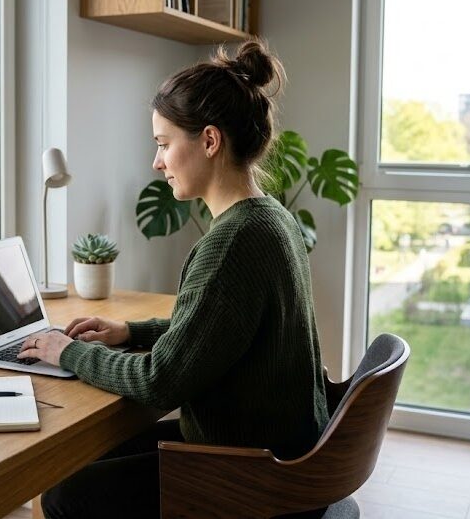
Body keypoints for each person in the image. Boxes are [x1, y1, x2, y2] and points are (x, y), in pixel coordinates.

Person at [17, 39, 330, 519]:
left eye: (164, 144)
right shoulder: (271, 219)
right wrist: (131, 331)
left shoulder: (234, 241)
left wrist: (70, 352)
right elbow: (219, 327)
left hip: (252, 477)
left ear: (209, 141)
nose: (156, 162)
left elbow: (161, 381)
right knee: (87, 459)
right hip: (283, 456)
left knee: (65, 494)